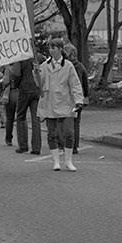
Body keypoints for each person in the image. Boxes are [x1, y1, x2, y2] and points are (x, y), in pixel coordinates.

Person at [36, 38, 83, 172]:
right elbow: (39, 84)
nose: (51, 50)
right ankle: (56, 161)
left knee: (69, 132)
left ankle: (68, 161)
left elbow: (75, 84)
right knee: (52, 133)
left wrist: (79, 100)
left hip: (65, 103)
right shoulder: (44, 66)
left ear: (60, 49)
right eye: (50, 47)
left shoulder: (68, 66)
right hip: (49, 103)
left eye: (53, 47)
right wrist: (36, 73)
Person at [9, 55, 42, 155]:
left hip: (24, 89)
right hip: (36, 88)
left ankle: (23, 145)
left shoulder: (20, 58)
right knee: (36, 119)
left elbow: (16, 74)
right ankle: (36, 147)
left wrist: (15, 84)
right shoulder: (39, 57)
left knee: (20, 117)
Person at [64, 43, 89, 154]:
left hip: (68, 96)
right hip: (78, 96)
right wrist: (85, 96)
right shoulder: (80, 66)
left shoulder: (66, 66)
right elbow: (85, 83)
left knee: (66, 121)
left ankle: (67, 144)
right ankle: (74, 146)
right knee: (76, 122)